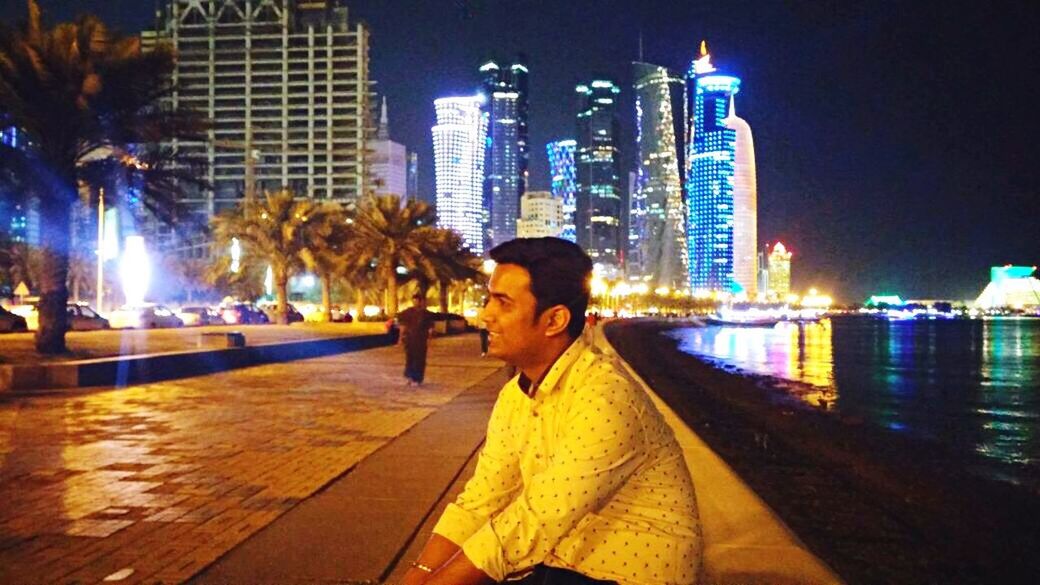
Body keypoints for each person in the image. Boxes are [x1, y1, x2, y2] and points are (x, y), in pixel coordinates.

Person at [402, 238, 701, 585]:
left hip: (627, 573)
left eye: (503, 302)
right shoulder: (515, 396)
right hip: (561, 561)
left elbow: (534, 521)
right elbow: (483, 499)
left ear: (555, 319)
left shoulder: (606, 398)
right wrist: (418, 574)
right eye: (489, 299)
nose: (486, 314)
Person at [396, 292, 435, 386]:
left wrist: (429, 339)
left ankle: (417, 379)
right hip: (410, 339)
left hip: (421, 340)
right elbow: (403, 326)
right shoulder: (408, 312)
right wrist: (400, 338)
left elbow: (430, 327)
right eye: (414, 301)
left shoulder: (426, 314)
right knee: (410, 358)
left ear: (421, 302)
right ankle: (410, 377)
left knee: (420, 359)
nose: (415, 303)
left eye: (417, 301)